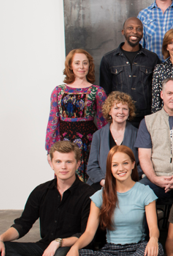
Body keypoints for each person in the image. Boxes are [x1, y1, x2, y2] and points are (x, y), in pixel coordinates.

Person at [0, 141, 96, 256]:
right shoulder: (41, 191)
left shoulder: (89, 194)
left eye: (69, 162)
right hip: (43, 247)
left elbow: (87, 235)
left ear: (78, 164)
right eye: (58, 161)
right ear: (51, 163)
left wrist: (58, 242)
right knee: (3, 249)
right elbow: (23, 224)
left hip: (71, 248)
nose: (63, 167)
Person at [65, 146, 163, 256]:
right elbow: (89, 233)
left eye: (125, 163)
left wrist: (153, 239)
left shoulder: (145, 192)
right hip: (111, 251)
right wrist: (75, 247)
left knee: (157, 248)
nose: (120, 168)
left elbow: (153, 227)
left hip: (137, 249)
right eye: (115, 165)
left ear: (133, 164)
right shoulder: (100, 195)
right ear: (110, 168)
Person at [46, 49, 107, 181]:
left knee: (88, 181)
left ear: (89, 66)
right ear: (70, 66)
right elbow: (53, 121)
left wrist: (105, 148)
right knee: (65, 178)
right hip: (64, 142)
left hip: (89, 142)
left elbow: (103, 123)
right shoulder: (58, 91)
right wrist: (49, 149)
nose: (81, 67)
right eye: (77, 63)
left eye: (85, 63)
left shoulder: (97, 91)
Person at [99, 17, 160, 127]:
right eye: (130, 28)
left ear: (142, 33)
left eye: (138, 29)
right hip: (119, 118)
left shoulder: (152, 58)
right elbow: (105, 92)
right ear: (123, 32)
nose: (134, 32)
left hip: (146, 118)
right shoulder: (109, 59)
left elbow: (157, 90)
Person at [87, 92, 141, 187]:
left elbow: (142, 164)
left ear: (129, 112)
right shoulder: (98, 135)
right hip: (103, 183)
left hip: (130, 182)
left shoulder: (138, 134)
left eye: (125, 109)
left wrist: (128, 179)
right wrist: (104, 181)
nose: (121, 112)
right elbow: (92, 166)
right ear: (109, 111)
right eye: (116, 108)